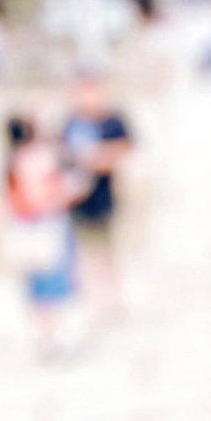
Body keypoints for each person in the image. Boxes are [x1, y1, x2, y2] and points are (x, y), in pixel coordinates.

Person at [4, 115, 85, 360]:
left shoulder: (11, 161)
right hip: (45, 226)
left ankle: (45, 336)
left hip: (23, 229)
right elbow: (52, 191)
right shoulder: (37, 158)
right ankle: (58, 337)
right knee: (54, 285)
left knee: (38, 288)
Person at [62, 68, 133, 318]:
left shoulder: (112, 120)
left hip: (106, 194)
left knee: (108, 249)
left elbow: (127, 149)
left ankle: (114, 297)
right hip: (76, 199)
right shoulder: (71, 122)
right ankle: (93, 301)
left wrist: (97, 158)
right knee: (84, 252)